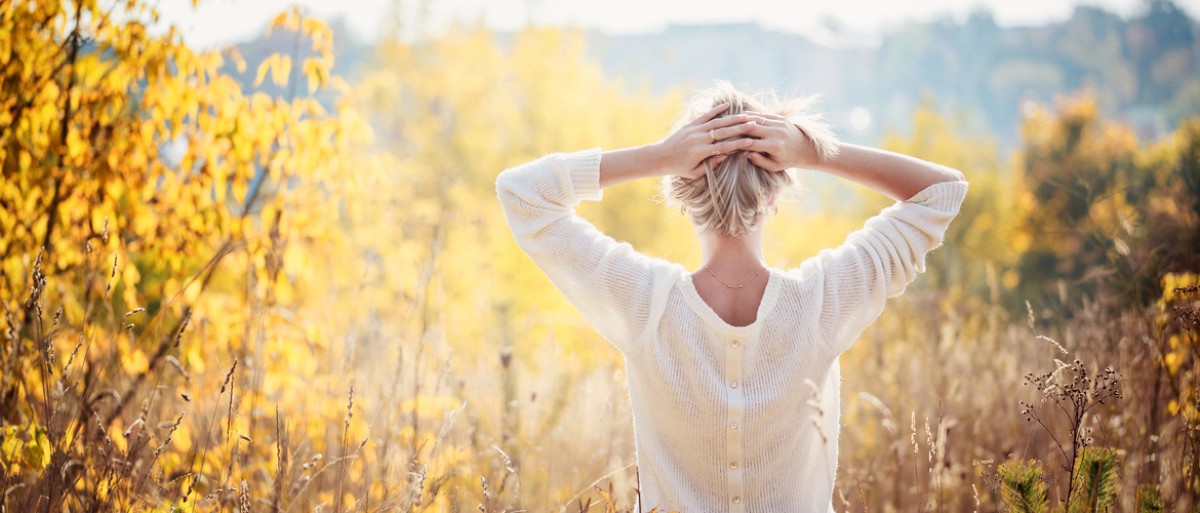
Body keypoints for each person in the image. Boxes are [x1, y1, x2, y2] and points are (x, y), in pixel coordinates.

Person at [495, 83, 968, 513]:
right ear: (777, 195)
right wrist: (814, 151)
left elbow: (522, 193)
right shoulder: (824, 302)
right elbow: (942, 191)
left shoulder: (643, 303)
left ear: (681, 195)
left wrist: (657, 157)